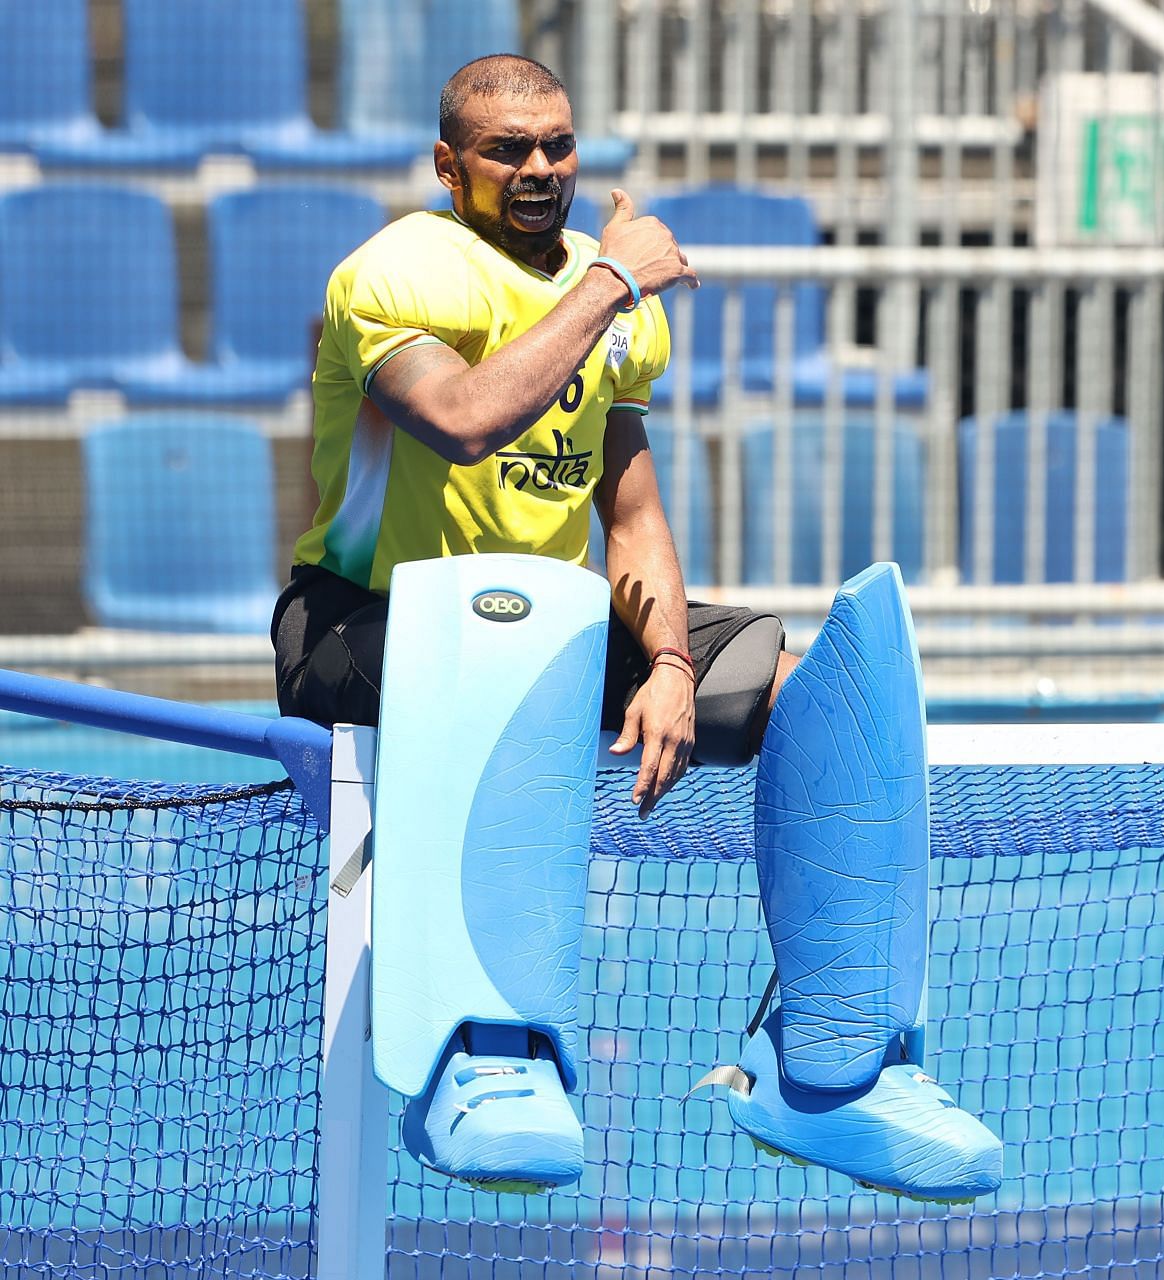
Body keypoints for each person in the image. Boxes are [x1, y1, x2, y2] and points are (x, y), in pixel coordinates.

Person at [272, 54, 999, 1203]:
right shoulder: (398, 272)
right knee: (503, 633)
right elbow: (463, 420)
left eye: (557, 144)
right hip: (372, 616)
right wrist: (612, 280)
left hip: (557, 627)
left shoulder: (609, 309)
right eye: (508, 149)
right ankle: (483, 1058)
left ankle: (833, 1068)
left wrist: (665, 659)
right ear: (448, 164)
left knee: (818, 690)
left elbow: (633, 511)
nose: (539, 168)